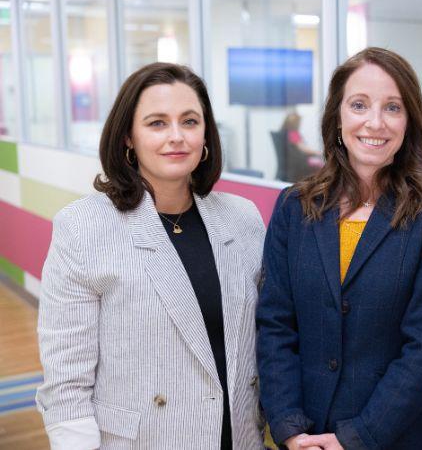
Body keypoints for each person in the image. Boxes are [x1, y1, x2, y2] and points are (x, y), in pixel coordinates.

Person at [36, 63, 265, 449]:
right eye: (157, 123)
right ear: (128, 137)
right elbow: (66, 385)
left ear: (206, 133)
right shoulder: (83, 228)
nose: (176, 137)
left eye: (190, 121)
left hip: (238, 438)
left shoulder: (244, 219)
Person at [257, 47, 422, 450]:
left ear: (409, 122)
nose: (375, 122)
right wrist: (290, 428)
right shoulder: (294, 208)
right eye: (359, 105)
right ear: (337, 117)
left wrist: (356, 438)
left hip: (393, 437)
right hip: (306, 434)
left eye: (392, 107)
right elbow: (275, 325)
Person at [280, 112, 324, 182]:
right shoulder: (293, 133)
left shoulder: (284, 133)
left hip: (293, 164)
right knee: (321, 164)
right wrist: (319, 153)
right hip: (300, 163)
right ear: (295, 123)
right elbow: (303, 149)